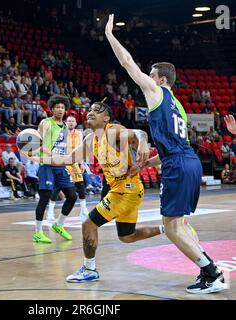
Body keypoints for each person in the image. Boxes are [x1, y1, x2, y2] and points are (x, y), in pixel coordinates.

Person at [105, 14, 227, 294]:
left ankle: (212, 272)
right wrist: (146, 163)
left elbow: (126, 64)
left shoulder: (156, 92)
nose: (146, 78)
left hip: (178, 165)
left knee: (172, 229)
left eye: (150, 74)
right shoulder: (178, 106)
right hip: (188, 162)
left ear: (160, 78)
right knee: (178, 225)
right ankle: (208, 271)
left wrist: (110, 36)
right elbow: (174, 145)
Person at [35, 101, 163, 283]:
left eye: (97, 110)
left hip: (124, 192)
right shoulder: (90, 139)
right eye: (89, 110)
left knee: (88, 225)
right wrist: (37, 154)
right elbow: (67, 159)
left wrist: (142, 143)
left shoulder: (112, 131)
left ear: (106, 118)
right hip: (130, 191)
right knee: (127, 236)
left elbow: (139, 132)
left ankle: (89, 269)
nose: (91, 112)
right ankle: (168, 228)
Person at [32, 95, 78, 244]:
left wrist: (69, 162)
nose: (60, 109)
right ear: (51, 109)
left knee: (72, 196)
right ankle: (38, 233)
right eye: (57, 107)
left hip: (60, 166)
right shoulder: (46, 123)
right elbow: (39, 142)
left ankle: (58, 224)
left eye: (62, 107)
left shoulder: (65, 126)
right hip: (47, 165)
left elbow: (62, 147)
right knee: (45, 198)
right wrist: (52, 155)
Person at [47, 115, 89, 221]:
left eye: (73, 121)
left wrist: (82, 163)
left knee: (80, 185)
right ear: (66, 123)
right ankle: (50, 212)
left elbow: (80, 149)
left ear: (75, 123)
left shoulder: (79, 134)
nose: (71, 123)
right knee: (57, 188)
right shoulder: (61, 132)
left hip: (74, 162)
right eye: (69, 121)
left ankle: (83, 210)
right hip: (62, 162)